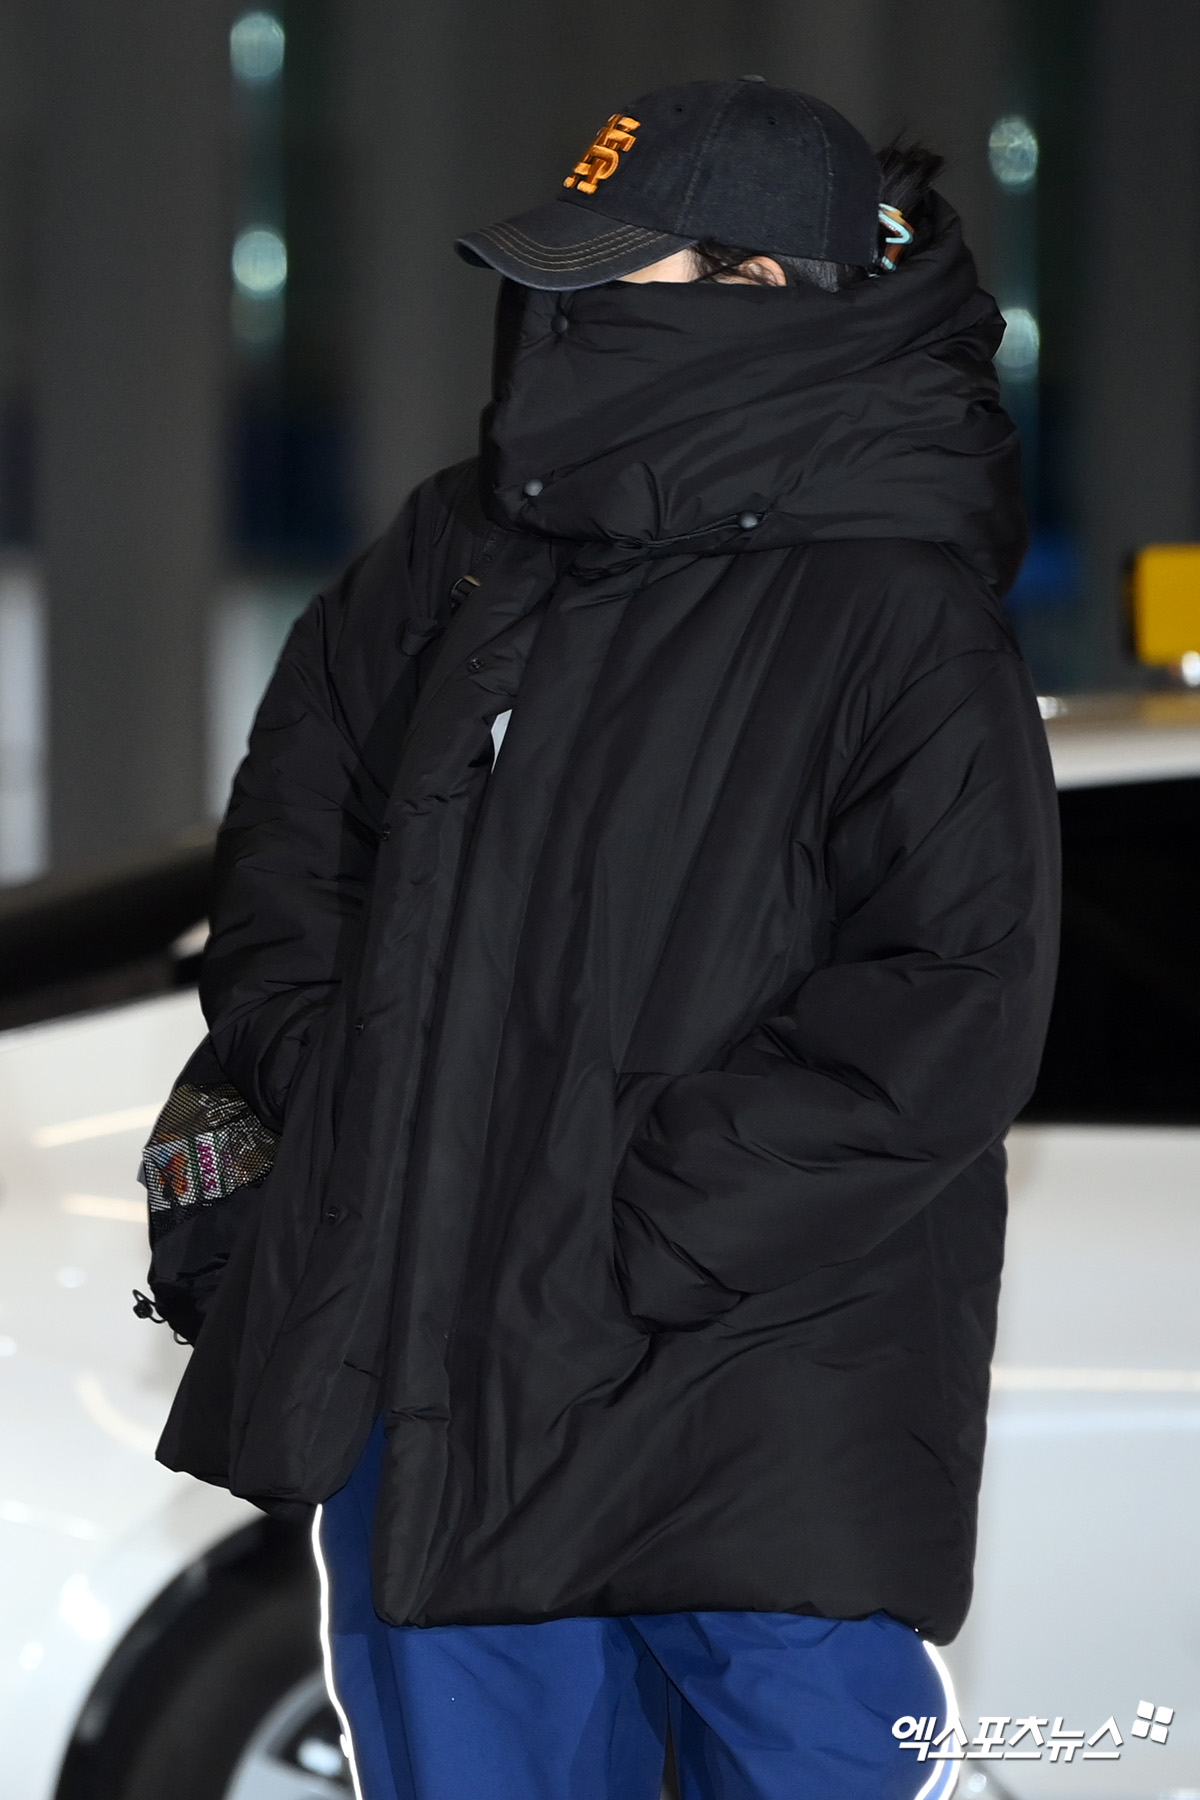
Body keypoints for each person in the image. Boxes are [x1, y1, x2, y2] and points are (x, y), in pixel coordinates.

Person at [142, 77, 1059, 1800]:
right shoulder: (465, 547)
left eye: (611, 271)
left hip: (744, 1403)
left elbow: (947, 1002)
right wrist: (355, 1107)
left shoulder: (892, 607)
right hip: (435, 1391)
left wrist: (624, 1228)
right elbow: (292, 849)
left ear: (756, 283)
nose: (557, 311)